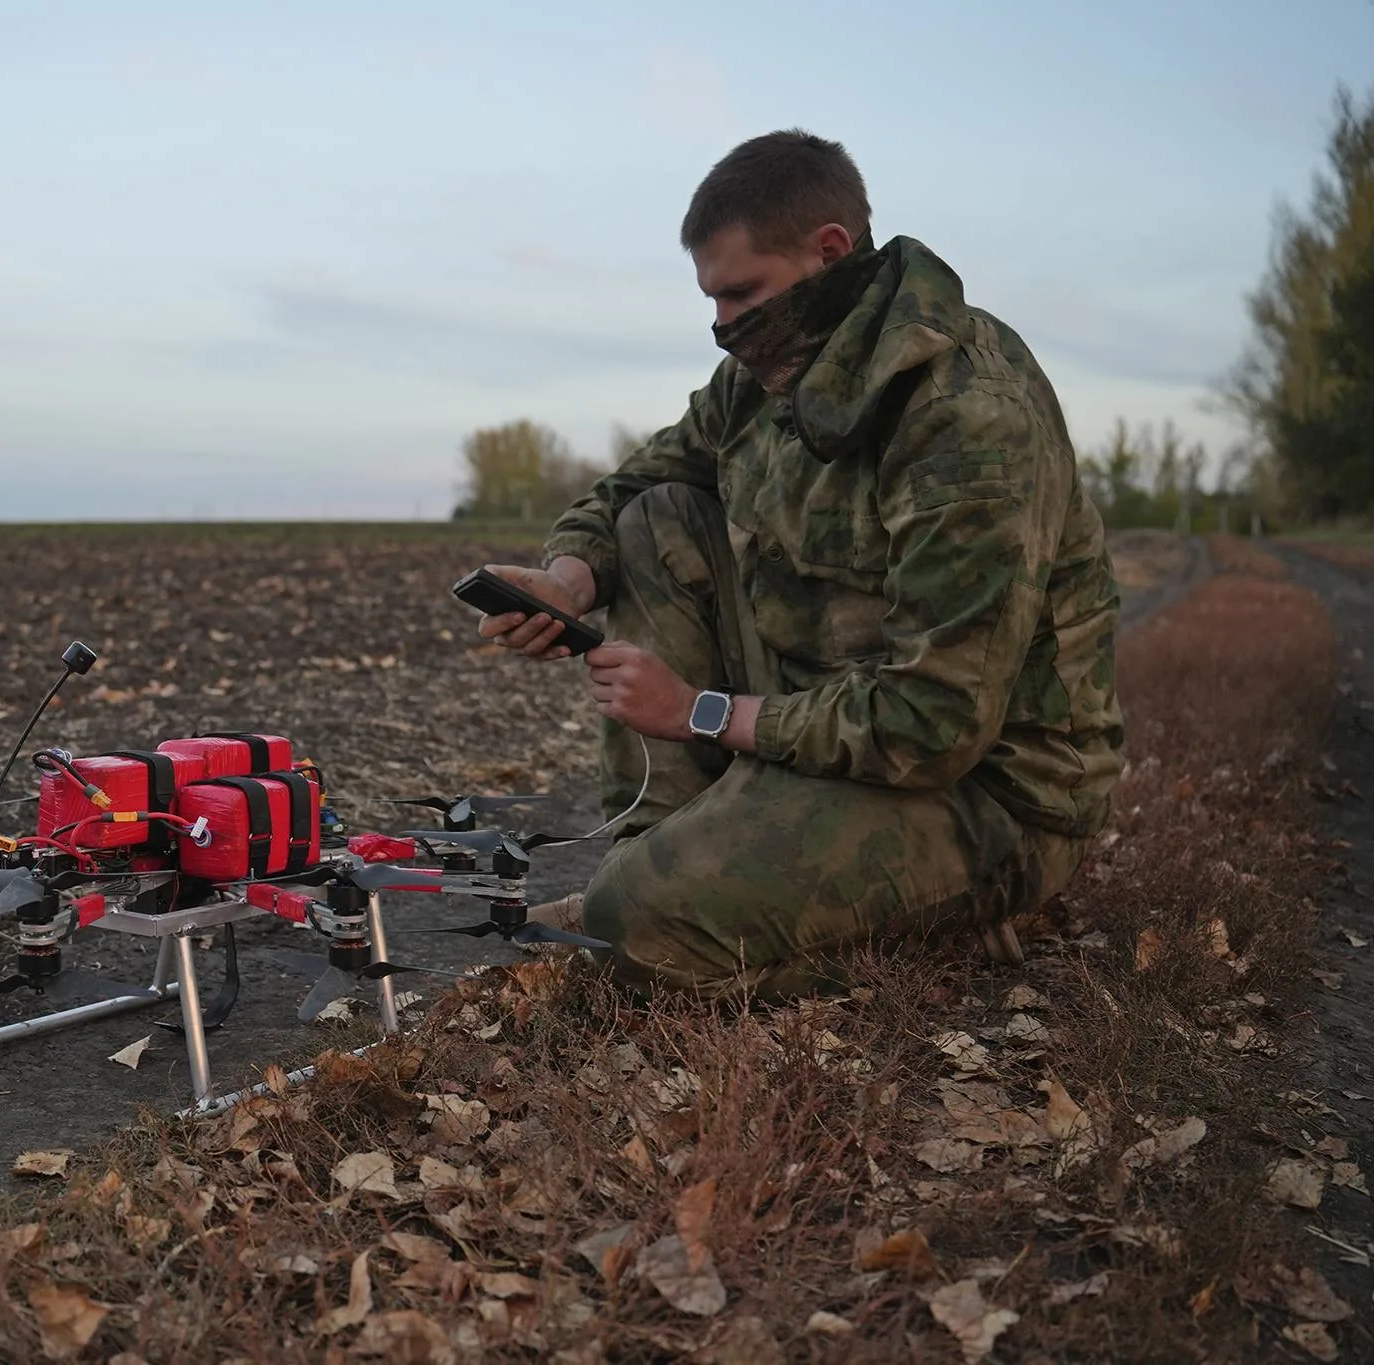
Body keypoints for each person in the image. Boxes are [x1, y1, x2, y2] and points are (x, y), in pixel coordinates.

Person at [473, 129, 1123, 999]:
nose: (724, 330)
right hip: (817, 724)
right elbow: (643, 480)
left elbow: (932, 724)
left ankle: (929, 925)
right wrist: (569, 576)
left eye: (743, 295)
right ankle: (654, 869)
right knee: (657, 518)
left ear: (829, 253)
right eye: (712, 303)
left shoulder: (968, 420)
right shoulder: (767, 372)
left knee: (639, 935)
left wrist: (697, 711)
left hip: (989, 792)